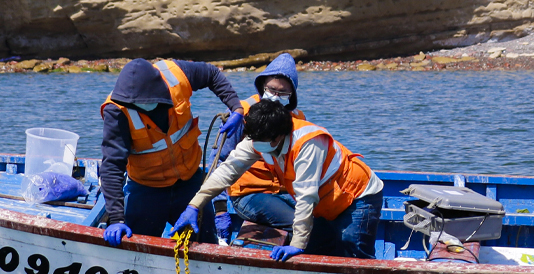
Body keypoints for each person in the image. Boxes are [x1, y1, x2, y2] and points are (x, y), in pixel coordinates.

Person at [174, 100, 385, 262]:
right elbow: (227, 171)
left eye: (261, 141)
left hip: (357, 195)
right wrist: (194, 206)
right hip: (326, 201)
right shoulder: (261, 138)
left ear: (278, 137)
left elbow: (306, 197)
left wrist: (298, 244)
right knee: (323, 244)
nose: (255, 145)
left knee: (352, 252)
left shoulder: (308, 143)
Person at [98, 58, 242, 246]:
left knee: (205, 243)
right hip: (147, 187)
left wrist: (236, 107)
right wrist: (116, 219)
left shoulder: (176, 74)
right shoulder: (117, 111)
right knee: (136, 245)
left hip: (189, 180)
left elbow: (211, 74)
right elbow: (112, 166)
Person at [211, 53, 306, 241]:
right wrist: (220, 209)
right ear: (263, 86)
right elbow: (218, 159)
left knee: (322, 220)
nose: (276, 96)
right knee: (299, 224)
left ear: (291, 95)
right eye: (272, 89)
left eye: (283, 93)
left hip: (285, 191)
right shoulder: (242, 113)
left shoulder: (297, 118)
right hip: (249, 194)